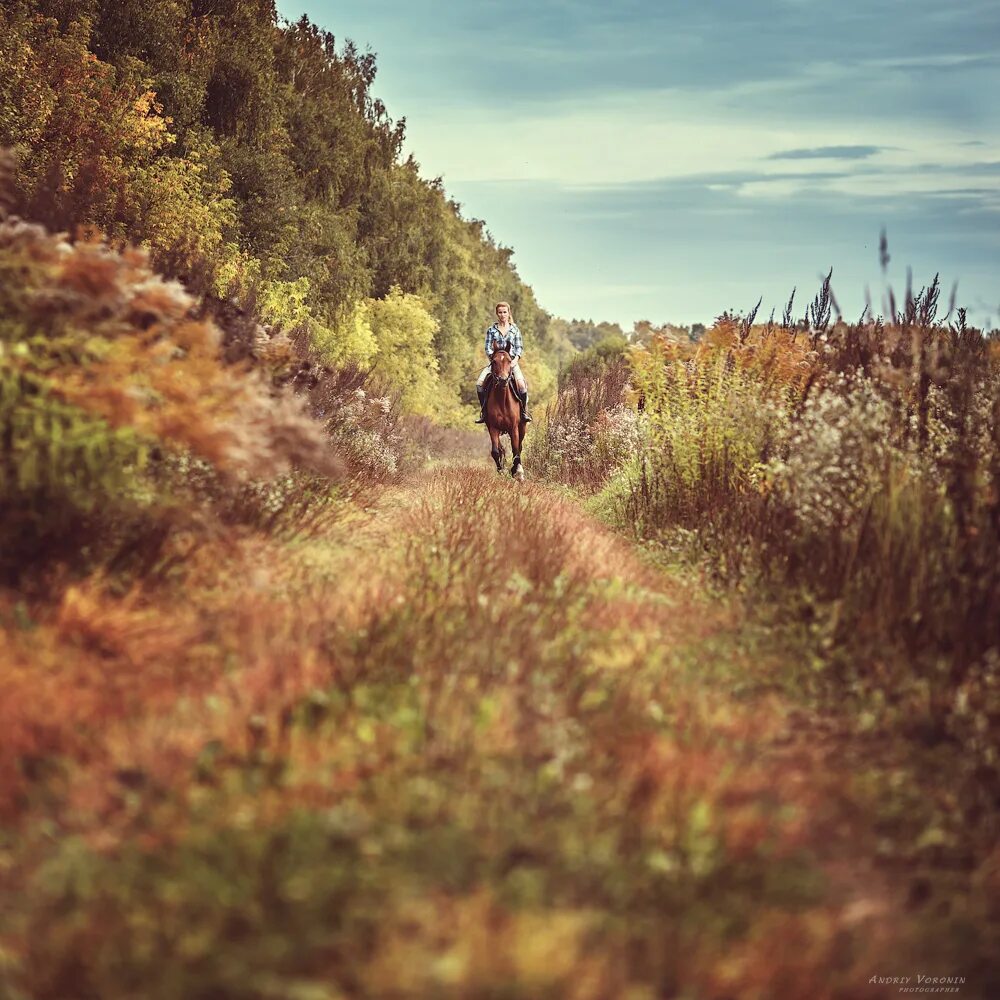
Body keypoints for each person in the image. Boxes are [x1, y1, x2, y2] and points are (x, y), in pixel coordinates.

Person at [475, 301, 532, 423]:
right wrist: (493, 359)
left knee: (522, 387)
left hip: (511, 364)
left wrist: (514, 361)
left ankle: (523, 413)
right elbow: (488, 347)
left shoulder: (515, 329)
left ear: (508, 313)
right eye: (500, 312)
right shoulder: (491, 330)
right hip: (496, 364)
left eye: (504, 312)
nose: (502, 315)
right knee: (479, 385)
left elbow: (519, 348)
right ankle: (484, 413)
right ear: (497, 313)